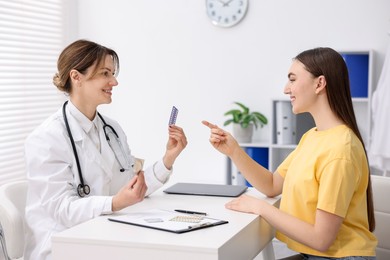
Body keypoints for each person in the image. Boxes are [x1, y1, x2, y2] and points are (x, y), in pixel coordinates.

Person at [202, 47, 377, 259]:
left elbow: (321, 239)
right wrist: (233, 150)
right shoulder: (312, 136)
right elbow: (272, 184)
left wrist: (260, 208)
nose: (286, 89)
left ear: (319, 83)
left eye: (292, 80)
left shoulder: (341, 149)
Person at [23, 39, 187, 260]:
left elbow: (131, 188)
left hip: (105, 234)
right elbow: (62, 210)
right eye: (105, 73)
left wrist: (168, 158)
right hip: (63, 245)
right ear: (76, 77)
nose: (114, 82)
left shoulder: (112, 129)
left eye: (113, 73)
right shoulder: (46, 138)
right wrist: (114, 202)